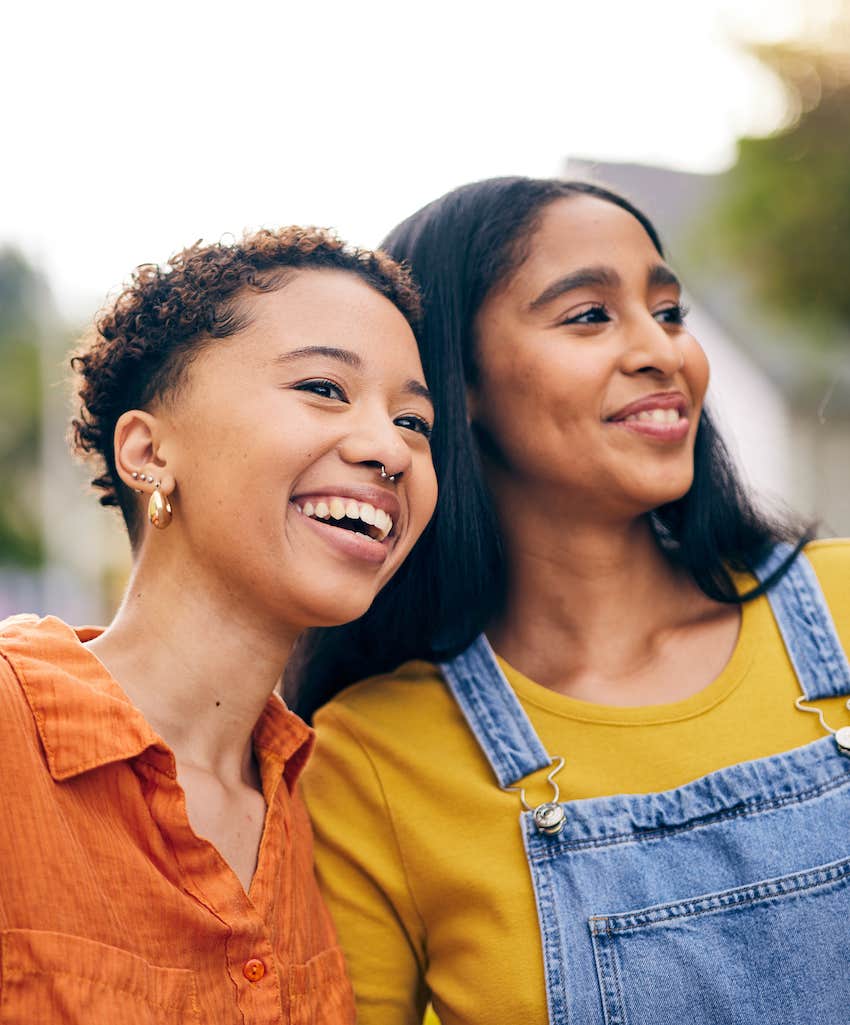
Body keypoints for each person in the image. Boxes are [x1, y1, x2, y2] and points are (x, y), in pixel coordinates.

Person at [296, 179, 850, 1025]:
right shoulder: (369, 760)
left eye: (669, 312)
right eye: (589, 315)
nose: (663, 351)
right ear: (455, 382)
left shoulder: (842, 602)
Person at [0, 226, 437, 1024]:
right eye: (324, 388)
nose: (390, 450)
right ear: (147, 452)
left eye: (415, 422)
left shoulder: (328, 815)